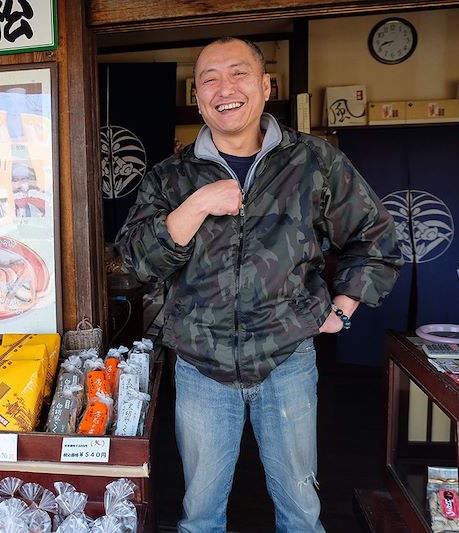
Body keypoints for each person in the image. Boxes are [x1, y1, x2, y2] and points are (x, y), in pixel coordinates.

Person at [115, 37, 402, 532]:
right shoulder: (171, 177)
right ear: (197, 95)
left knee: (301, 508)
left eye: (239, 73)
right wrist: (198, 204)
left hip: (286, 359)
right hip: (200, 365)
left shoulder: (314, 162)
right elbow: (136, 261)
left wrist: (343, 308)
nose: (225, 88)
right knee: (200, 511)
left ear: (266, 86)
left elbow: (374, 237)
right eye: (210, 78)